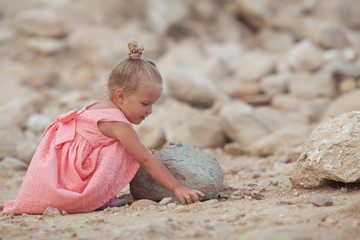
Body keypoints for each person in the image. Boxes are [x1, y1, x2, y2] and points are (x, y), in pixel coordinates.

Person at [2, 41, 204, 215]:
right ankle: (97, 197)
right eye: (145, 104)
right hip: (72, 186)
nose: (150, 110)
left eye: (153, 104)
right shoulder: (118, 124)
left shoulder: (99, 107)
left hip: (57, 177)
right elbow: (144, 158)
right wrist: (177, 187)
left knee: (127, 144)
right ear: (121, 96)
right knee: (125, 147)